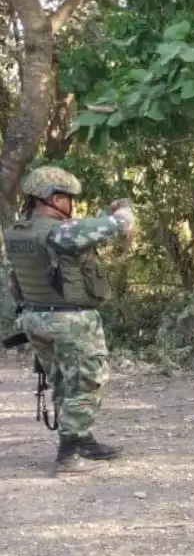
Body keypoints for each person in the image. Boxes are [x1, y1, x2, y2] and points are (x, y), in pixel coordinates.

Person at [3, 165, 136, 475]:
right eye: (68, 198)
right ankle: (68, 452)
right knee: (88, 383)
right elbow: (119, 225)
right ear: (54, 199)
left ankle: (83, 439)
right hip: (70, 321)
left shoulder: (19, 233)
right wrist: (122, 209)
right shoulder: (60, 232)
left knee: (63, 380)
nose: (72, 204)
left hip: (36, 318)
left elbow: (15, 282)